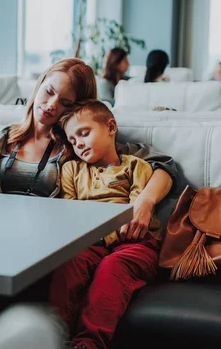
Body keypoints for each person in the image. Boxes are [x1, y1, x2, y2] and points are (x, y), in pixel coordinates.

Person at [0, 58, 175, 330]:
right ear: (39, 85)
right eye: (49, 92)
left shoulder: (80, 147)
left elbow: (164, 165)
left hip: (41, 251)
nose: (52, 105)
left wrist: (144, 201)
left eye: (65, 103)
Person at [51, 100, 162, 349]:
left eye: (84, 133)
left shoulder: (136, 165)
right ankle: (52, 338)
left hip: (136, 243)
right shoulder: (71, 170)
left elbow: (133, 214)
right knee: (69, 262)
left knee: (112, 266)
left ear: (111, 127)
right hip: (90, 241)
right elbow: (70, 212)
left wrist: (105, 237)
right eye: (72, 140)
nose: (78, 143)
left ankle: (89, 343)